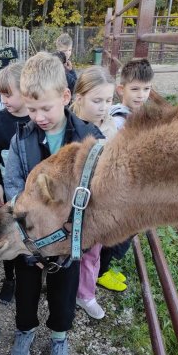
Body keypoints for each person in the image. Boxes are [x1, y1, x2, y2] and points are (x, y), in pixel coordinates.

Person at [4, 52, 104, 355]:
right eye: (31, 110)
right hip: (33, 234)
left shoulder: (90, 139)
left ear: (65, 96)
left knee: (64, 288)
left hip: (70, 236)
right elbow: (13, 184)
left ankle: (60, 336)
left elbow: (100, 189)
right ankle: (25, 329)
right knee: (26, 284)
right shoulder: (21, 139)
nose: (39, 116)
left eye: (45, 108)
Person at [97, 58, 154, 291]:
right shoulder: (121, 120)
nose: (141, 95)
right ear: (121, 90)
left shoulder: (132, 115)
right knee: (116, 234)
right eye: (135, 89)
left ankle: (103, 267)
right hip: (121, 190)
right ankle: (100, 272)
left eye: (146, 89)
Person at [71, 66, 117, 319]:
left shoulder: (111, 129)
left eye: (108, 100)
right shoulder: (67, 127)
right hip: (70, 202)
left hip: (97, 204)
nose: (103, 106)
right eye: (97, 100)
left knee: (92, 252)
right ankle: (63, 289)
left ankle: (85, 294)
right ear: (79, 98)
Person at [0, 63, 30, 304]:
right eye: (0, 94)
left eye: (8, 94)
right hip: (7, 193)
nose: (3, 100)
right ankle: (9, 277)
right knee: (6, 234)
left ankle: (30, 273)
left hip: (32, 193)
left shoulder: (38, 119)